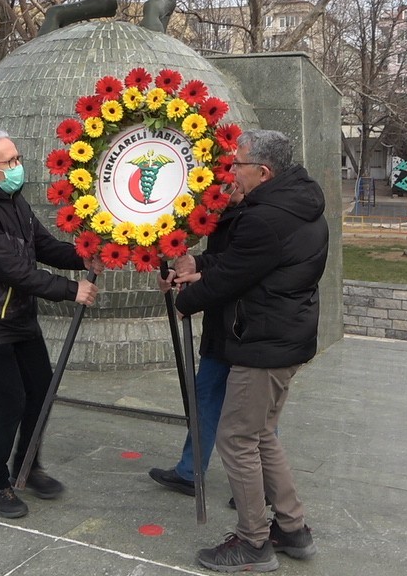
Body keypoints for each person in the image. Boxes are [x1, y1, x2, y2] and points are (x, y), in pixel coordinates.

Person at [172, 129, 328, 572]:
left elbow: (230, 277)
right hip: (281, 337)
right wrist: (197, 265)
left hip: (265, 343)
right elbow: (242, 262)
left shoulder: (267, 217)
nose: (230, 172)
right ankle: (292, 529)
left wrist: (183, 301)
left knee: (237, 437)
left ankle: (253, 541)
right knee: (259, 435)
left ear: (263, 171)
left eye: (237, 165)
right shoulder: (294, 200)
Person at [0, 129, 101, 519]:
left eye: (18, 158)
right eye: (11, 161)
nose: (19, 167)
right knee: (9, 401)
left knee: (40, 391)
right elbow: (14, 269)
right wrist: (72, 291)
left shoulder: (13, 200)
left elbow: (43, 246)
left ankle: (27, 465)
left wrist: (84, 255)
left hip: (18, 316)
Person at [148, 182, 244, 497]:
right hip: (223, 326)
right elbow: (221, 259)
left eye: (237, 170)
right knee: (204, 397)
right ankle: (190, 471)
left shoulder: (261, 215)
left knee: (251, 412)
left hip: (249, 330)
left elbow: (239, 267)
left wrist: (193, 290)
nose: (231, 181)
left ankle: (261, 488)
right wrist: (191, 266)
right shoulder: (223, 210)